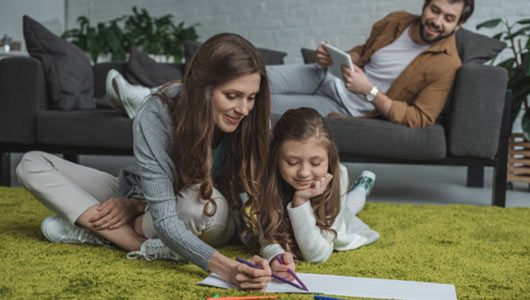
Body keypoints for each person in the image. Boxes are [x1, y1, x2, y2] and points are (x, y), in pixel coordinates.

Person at [16, 33, 274, 291]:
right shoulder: (157, 112)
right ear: (202, 88)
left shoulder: (252, 122)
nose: (243, 109)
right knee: (31, 164)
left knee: (199, 205)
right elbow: (163, 215)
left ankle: (98, 231)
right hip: (150, 199)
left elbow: (262, 201)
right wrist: (227, 268)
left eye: (251, 97)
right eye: (232, 96)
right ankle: (135, 242)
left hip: (207, 213)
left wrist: (275, 253)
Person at [268, 0, 474, 128]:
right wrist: (339, 57)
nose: (437, 21)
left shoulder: (448, 64)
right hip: (326, 74)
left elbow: (420, 117)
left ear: (458, 25)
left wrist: (370, 91)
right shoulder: (397, 20)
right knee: (256, 78)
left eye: (448, 18)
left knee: (264, 106)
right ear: (424, 5)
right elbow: (365, 51)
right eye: (434, 10)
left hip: (344, 105)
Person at [256, 107, 380, 278]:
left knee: (349, 210)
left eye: (315, 163)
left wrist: (300, 201)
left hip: (335, 205)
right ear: (276, 158)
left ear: (329, 160)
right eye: (292, 162)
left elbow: (317, 255)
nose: (304, 173)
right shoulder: (267, 177)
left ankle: (362, 186)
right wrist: (276, 255)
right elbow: (267, 238)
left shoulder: (339, 174)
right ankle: (360, 186)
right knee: (349, 208)